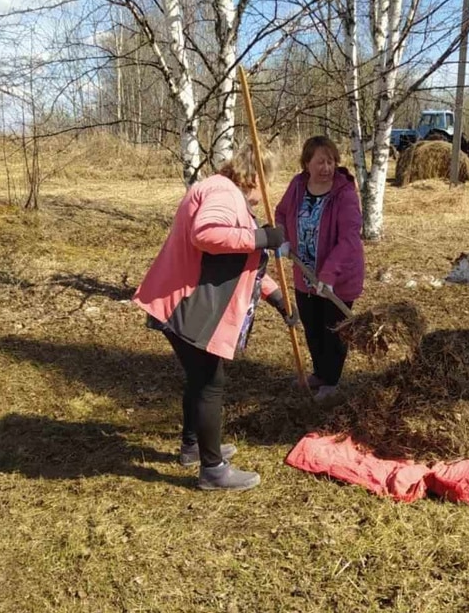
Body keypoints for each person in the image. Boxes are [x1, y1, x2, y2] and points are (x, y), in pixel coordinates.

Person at [133, 144, 298, 492]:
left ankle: (194, 447)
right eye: (265, 184)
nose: (262, 196)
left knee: (200, 379)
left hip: (187, 302)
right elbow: (206, 234)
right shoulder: (223, 191)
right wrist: (261, 236)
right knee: (210, 381)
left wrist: (278, 298)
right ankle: (213, 469)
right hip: (186, 303)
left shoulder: (223, 191)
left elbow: (240, 263)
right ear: (254, 177)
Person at [275, 135, 364, 401]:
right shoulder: (298, 185)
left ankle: (332, 381)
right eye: (320, 162)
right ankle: (320, 372)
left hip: (337, 276)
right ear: (306, 163)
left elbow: (349, 237)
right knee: (312, 327)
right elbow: (280, 212)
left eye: (331, 161)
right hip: (305, 273)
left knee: (334, 331)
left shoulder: (344, 193)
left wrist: (328, 274)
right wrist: (282, 236)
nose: (327, 167)